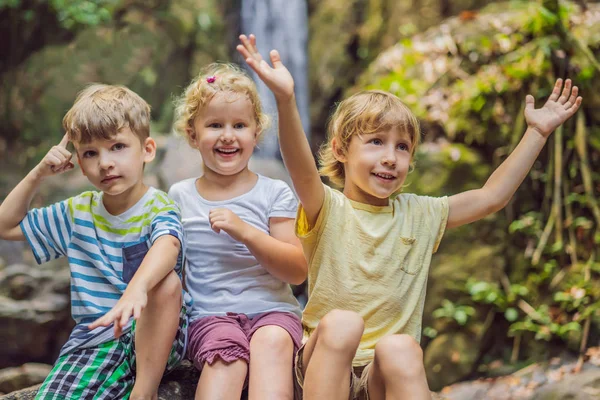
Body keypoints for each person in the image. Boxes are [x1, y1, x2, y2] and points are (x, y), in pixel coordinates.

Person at [237, 33, 582, 400]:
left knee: (400, 347)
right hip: (323, 365)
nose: (390, 157)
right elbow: (301, 168)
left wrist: (537, 132)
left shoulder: (420, 213)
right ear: (340, 149)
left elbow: (490, 197)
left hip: (380, 378)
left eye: (402, 147)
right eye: (376, 142)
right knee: (342, 323)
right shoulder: (327, 206)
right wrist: (286, 100)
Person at [0, 84, 190, 400]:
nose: (105, 163)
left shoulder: (159, 205)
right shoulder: (77, 213)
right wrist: (38, 175)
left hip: (156, 332)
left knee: (166, 284)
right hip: (95, 341)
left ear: (147, 150)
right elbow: (5, 227)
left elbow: (168, 246)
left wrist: (136, 290)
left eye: (117, 147)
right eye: (91, 152)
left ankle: (144, 393)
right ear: (77, 160)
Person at [169, 62, 307, 400]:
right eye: (215, 125)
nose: (228, 135)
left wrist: (245, 231)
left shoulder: (275, 192)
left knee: (272, 342)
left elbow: (297, 270)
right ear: (192, 134)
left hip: (273, 312)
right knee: (226, 362)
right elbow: (176, 274)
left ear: (256, 134)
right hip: (210, 316)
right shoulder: (179, 196)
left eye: (240, 125)